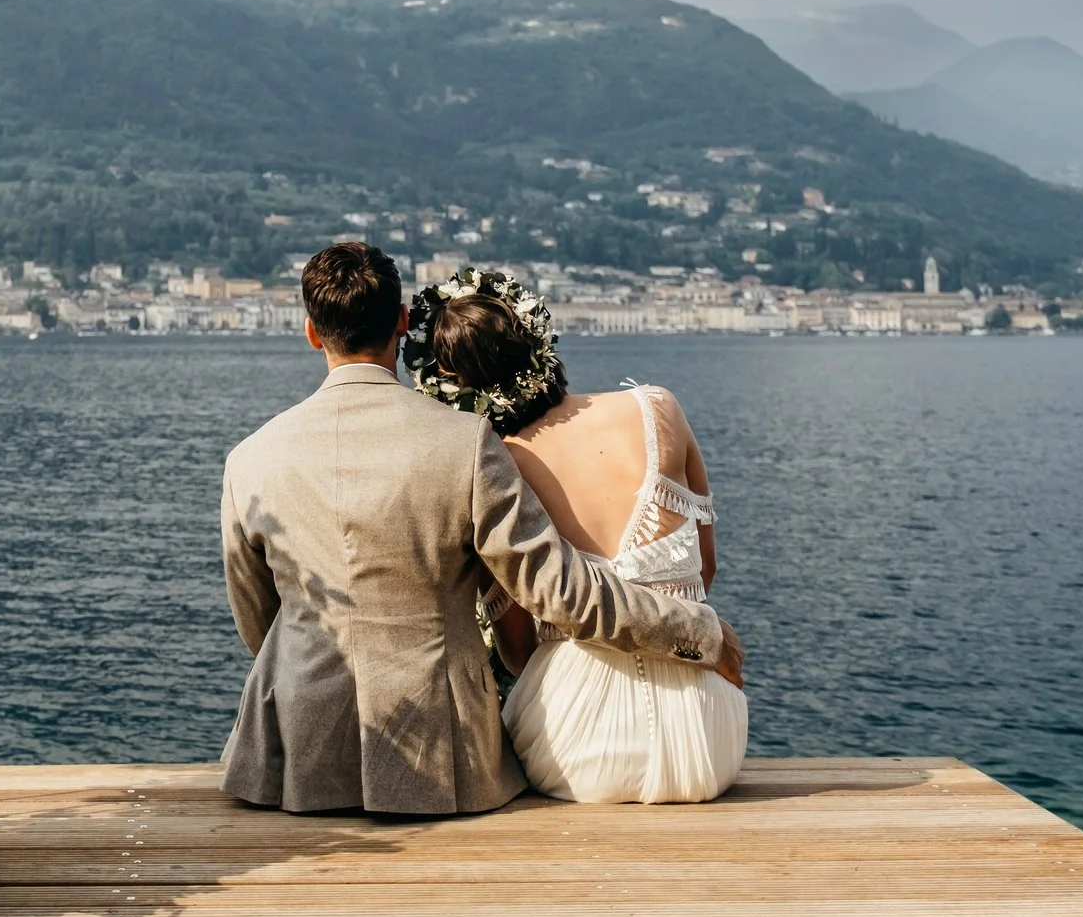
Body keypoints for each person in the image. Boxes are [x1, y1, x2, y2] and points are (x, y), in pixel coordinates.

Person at [218, 242, 742, 815]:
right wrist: (699, 632)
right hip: (437, 757)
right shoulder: (465, 445)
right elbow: (561, 592)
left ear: (312, 332)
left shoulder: (249, 459)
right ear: (400, 321)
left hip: (294, 755)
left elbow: (258, 619)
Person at [405, 268, 747, 803]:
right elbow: (705, 569)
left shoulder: (492, 471)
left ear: (456, 387)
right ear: (538, 337)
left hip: (577, 751)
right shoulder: (657, 408)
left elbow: (517, 650)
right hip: (708, 740)